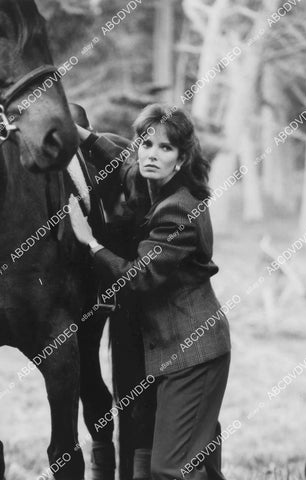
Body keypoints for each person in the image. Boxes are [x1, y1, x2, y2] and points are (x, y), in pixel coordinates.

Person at [68, 103, 231, 480]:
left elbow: (136, 279)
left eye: (165, 148)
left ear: (182, 157)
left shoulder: (178, 210)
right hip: (175, 349)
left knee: (169, 468)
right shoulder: (155, 185)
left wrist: (90, 243)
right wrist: (85, 138)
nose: (151, 155)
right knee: (193, 462)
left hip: (193, 352)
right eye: (145, 144)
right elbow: (126, 166)